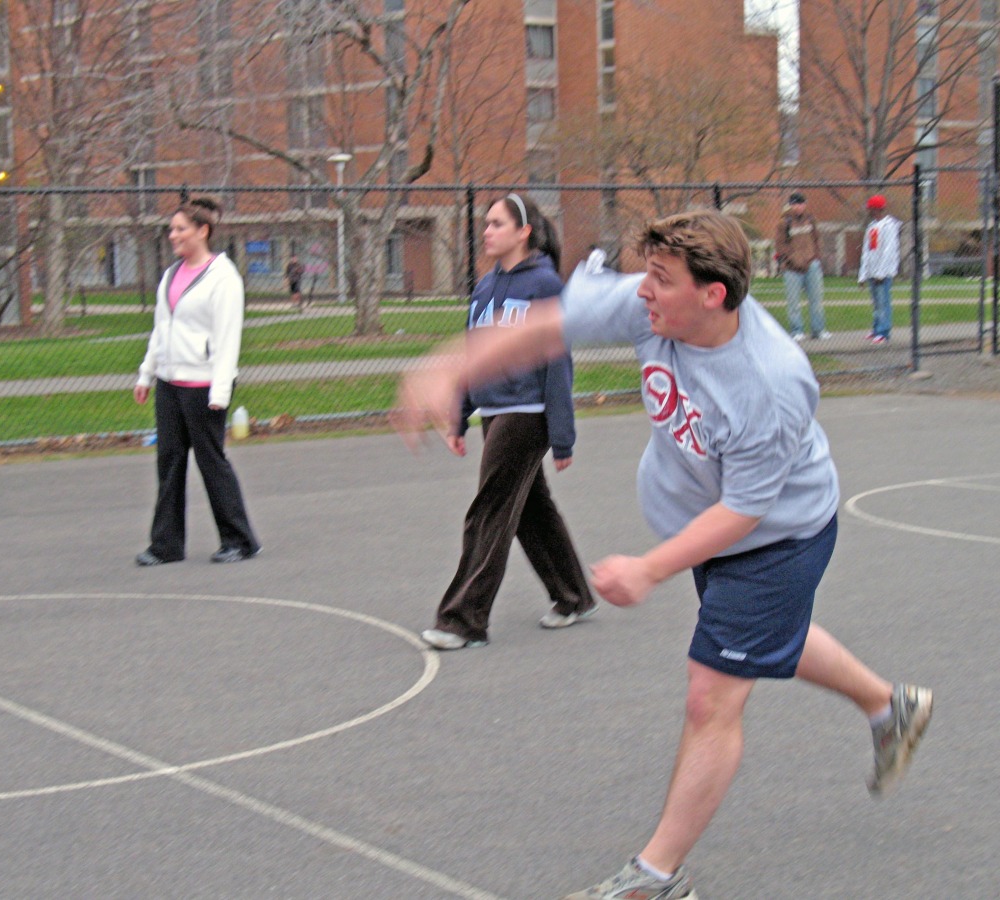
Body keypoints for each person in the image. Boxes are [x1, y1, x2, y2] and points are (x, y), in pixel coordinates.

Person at [393, 209, 932, 897]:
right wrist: (448, 368)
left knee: (712, 693)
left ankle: (657, 877)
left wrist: (651, 568)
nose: (643, 291)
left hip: (776, 539)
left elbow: (746, 510)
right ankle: (892, 707)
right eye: (646, 275)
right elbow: (543, 330)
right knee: (763, 638)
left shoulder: (770, 380)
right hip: (712, 523)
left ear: (713, 295)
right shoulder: (652, 305)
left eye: (662, 280)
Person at [419, 192, 596, 651]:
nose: (487, 231)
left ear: (524, 232)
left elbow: (558, 365)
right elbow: (472, 358)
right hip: (494, 414)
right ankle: (573, 596)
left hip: (527, 414)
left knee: (489, 511)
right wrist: (458, 417)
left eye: (497, 223)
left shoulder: (544, 286)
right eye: (486, 223)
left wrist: (562, 437)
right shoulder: (483, 288)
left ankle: (463, 619)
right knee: (531, 510)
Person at [133, 196, 261, 566]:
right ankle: (166, 546)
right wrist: (147, 373)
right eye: (171, 229)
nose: (172, 235)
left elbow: (227, 338)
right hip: (170, 384)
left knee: (211, 461)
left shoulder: (224, 277)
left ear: (202, 231)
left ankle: (239, 540)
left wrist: (219, 391)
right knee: (169, 462)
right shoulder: (170, 276)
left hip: (205, 387)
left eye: (180, 229)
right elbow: (161, 330)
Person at [774, 191, 829, 342]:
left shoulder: (810, 220)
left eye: (801, 204)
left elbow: (817, 239)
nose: (798, 207)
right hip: (792, 268)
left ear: (805, 205)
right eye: (795, 204)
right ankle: (797, 330)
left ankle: (818, 330)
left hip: (811, 265)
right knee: (794, 303)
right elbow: (780, 245)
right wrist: (792, 259)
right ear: (790, 205)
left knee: (816, 300)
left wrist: (816, 257)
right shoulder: (783, 222)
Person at [858, 194, 901, 345]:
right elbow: (866, 251)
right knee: (876, 303)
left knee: (883, 302)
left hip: (883, 272)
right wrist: (863, 275)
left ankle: (884, 331)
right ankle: (876, 328)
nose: (870, 211)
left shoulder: (888, 226)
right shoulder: (871, 227)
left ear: (879, 209)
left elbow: (889, 251)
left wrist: (881, 273)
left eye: (872, 209)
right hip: (872, 270)